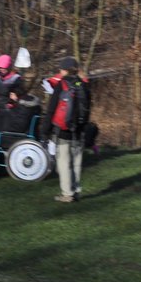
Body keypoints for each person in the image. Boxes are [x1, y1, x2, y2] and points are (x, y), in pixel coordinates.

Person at [44, 56, 91, 203]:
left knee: (63, 162)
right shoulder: (83, 85)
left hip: (63, 131)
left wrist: (45, 129)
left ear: (65, 70)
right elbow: (87, 109)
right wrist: (83, 127)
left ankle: (67, 194)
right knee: (76, 162)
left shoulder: (61, 85)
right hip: (79, 131)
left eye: (61, 68)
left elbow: (51, 109)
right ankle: (76, 191)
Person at [0, 53, 25, 139]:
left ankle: (6, 149)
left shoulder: (16, 78)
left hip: (9, 109)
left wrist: (16, 94)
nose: (2, 69)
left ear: (9, 66)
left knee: (6, 132)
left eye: (4, 67)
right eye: (0, 67)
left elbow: (21, 90)